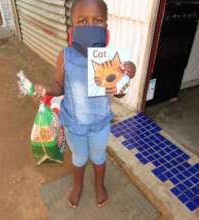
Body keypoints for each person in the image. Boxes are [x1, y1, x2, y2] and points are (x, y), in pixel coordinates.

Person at [33, 0, 136, 209]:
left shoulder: (111, 58)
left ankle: (99, 186)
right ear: (72, 30)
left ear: (106, 29)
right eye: (82, 21)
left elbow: (120, 92)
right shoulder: (65, 56)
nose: (90, 26)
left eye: (97, 21)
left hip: (100, 123)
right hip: (74, 124)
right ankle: (77, 186)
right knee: (79, 158)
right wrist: (46, 90)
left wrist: (128, 74)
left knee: (99, 157)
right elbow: (59, 86)